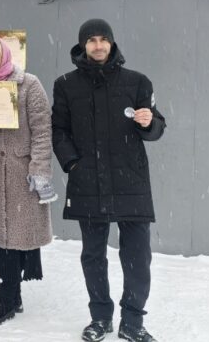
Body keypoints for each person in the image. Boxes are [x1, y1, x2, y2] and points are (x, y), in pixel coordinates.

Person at [52, 19, 166, 342]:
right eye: (92, 40)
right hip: (87, 182)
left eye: (104, 39)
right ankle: (100, 318)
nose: (98, 45)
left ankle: (133, 321)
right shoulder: (66, 85)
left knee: (137, 256)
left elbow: (157, 127)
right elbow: (58, 129)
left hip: (131, 181)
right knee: (93, 255)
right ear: (83, 45)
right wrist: (73, 163)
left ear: (112, 43)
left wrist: (149, 122)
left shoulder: (137, 82)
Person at [0, 35, 56, 325]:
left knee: (17, 234)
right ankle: (10, 292)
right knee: (0, 236)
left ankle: (9, 295)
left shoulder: (29, 84)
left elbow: (42, 130)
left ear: (4, 54)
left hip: (21, 172)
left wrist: (38, 169)